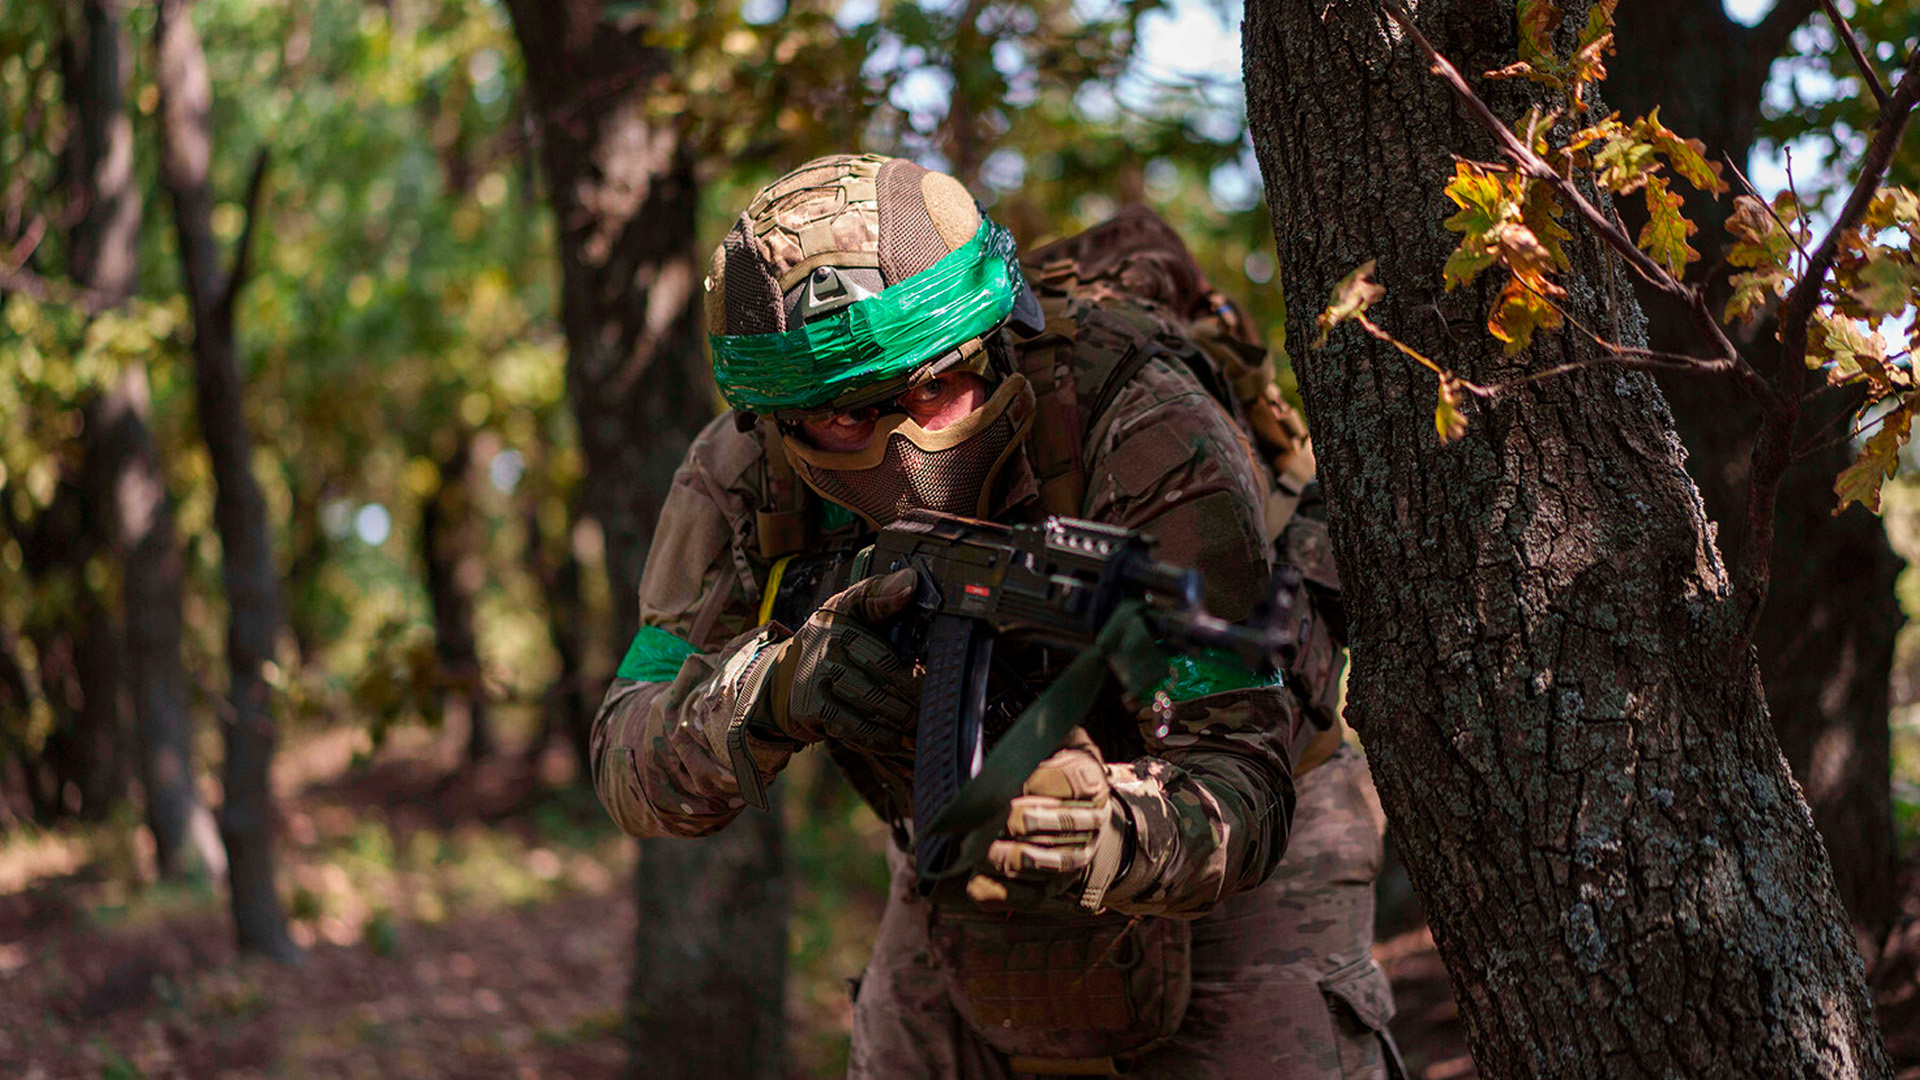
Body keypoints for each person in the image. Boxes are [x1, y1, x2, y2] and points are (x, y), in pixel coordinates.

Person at [591, 152, 1401, 1079]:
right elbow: (626, 746)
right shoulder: (742, 478)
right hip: (954, 841)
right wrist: (769, 694)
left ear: (995, 338)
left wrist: (1108, 831)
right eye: (850, 419)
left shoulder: (1134, 423)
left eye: (936, 388)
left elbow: (1240, 784)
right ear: (777, 417)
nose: (906, 441)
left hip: (1239, 849)